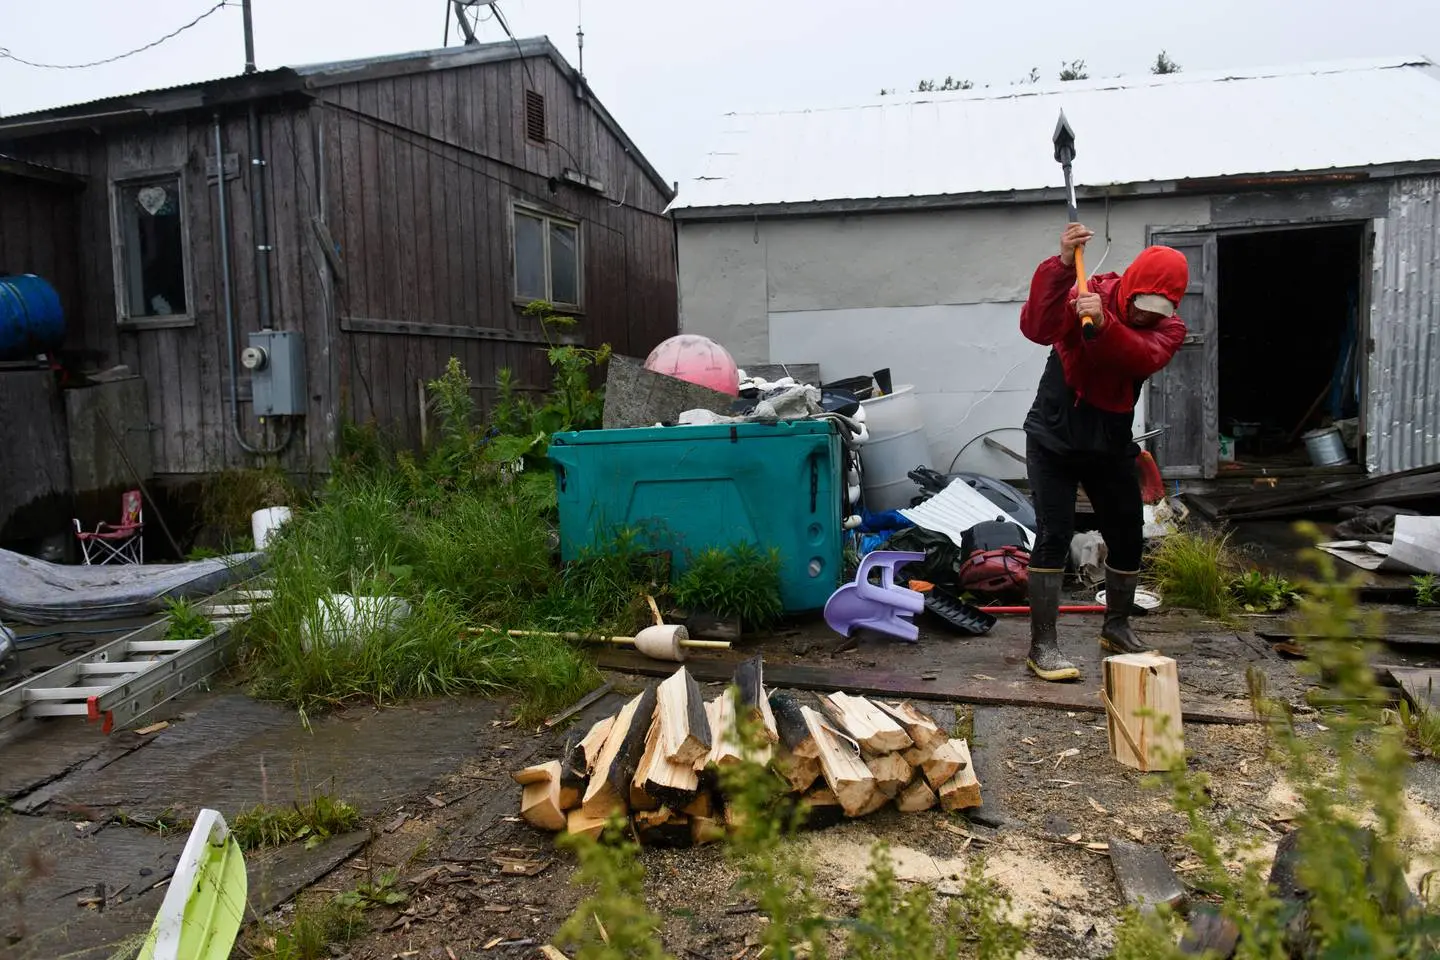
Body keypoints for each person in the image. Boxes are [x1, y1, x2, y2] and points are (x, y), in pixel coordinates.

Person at [1017, 224, 1189, 682]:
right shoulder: (1087, 291)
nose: (1150, 317)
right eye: (1142, 306)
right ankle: (1043, 646)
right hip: (1054, 437)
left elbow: (1139, 357)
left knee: (1128, 530)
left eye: (1160, 310)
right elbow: (1037, 327)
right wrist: (1059, 267)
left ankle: (1116, 626)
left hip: (1109, 441)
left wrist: (1108, 323)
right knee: (1054, 532)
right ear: (1130, 288)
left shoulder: (1169, 330)